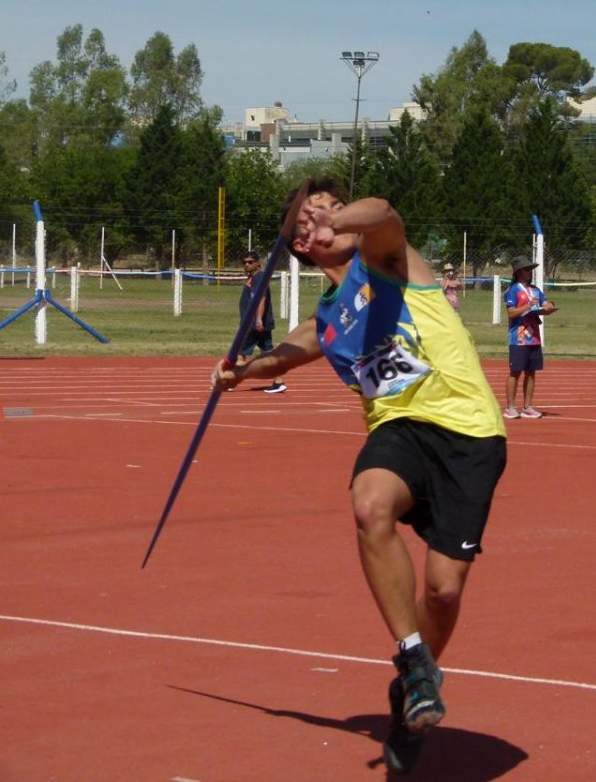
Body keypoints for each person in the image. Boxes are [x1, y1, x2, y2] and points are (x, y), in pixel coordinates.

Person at [212, 177, 507, 774]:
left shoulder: (389, 257)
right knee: (370, 503)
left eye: (330, 211)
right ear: (300, 248)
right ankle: (412, 658)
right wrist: (240, 371)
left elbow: (386, 210)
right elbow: (296, 345)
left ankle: (413, 693)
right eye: (306, 223)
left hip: (469, 433)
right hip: (398, 428)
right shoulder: (328, 315)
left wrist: (345, 218)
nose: (320, 223)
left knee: (443, 590)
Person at [503, 255, 557, 419]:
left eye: (531, 270)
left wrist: (548, 307)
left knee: (531, 372)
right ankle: (510, 407)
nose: (530, 273)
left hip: (534, 337)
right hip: (518, 337)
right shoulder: (513, 290)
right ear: (519, 272)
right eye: (527, 270)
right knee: (515, 372)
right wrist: (527, 306)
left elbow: (547, 302)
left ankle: (527, 406)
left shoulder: (535, 290)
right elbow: (511, 312)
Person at [238, 250, 285, 393]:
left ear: (258, 263)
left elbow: (261, 298)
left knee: (239, 354)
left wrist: (258, 319)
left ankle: (230, 380)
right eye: (245, 262)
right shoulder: (254, 278)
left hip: (254, 325)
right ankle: (279, 381)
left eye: (250, 262)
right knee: (268, 353)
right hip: (258, 324)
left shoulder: (259, 278)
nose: (247, 264)